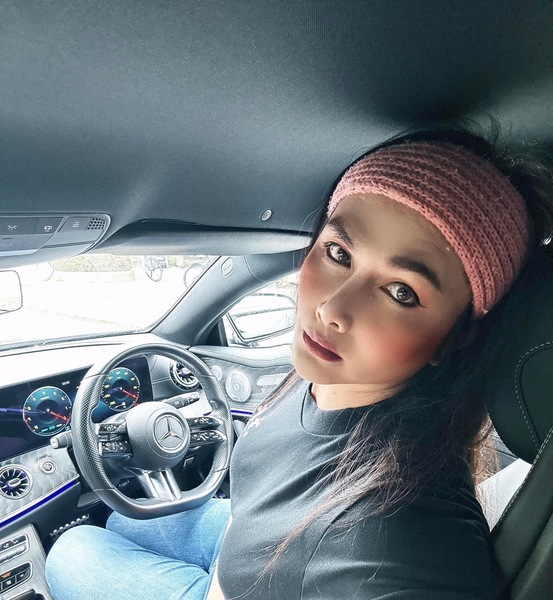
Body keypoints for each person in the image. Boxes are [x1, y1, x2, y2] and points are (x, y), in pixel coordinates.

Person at [45, 126, 553, 600]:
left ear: (458, 337)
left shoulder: (398, 542)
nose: (332, 309)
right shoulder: (330, 375)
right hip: (245, 545)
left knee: (73, 549)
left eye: (401, 291)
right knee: (122, 520)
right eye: (339, 253)